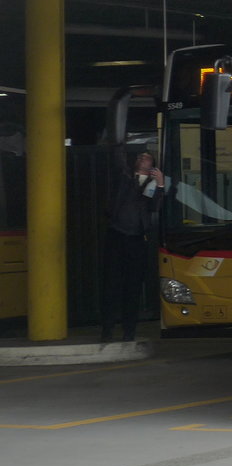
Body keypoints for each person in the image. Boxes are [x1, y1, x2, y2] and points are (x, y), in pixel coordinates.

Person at [99, 147, 164, 343]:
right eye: (140, 157)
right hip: (117, 235)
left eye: (147, 158)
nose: (142, 159)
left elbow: (155, 206)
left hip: (136, 238)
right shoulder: (125, 177)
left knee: (133, 287)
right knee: (111, 285)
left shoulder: (151, 184)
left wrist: (160, 184)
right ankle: (108, 329)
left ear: (152, 165)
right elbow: (118, 163)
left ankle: (129, 330)